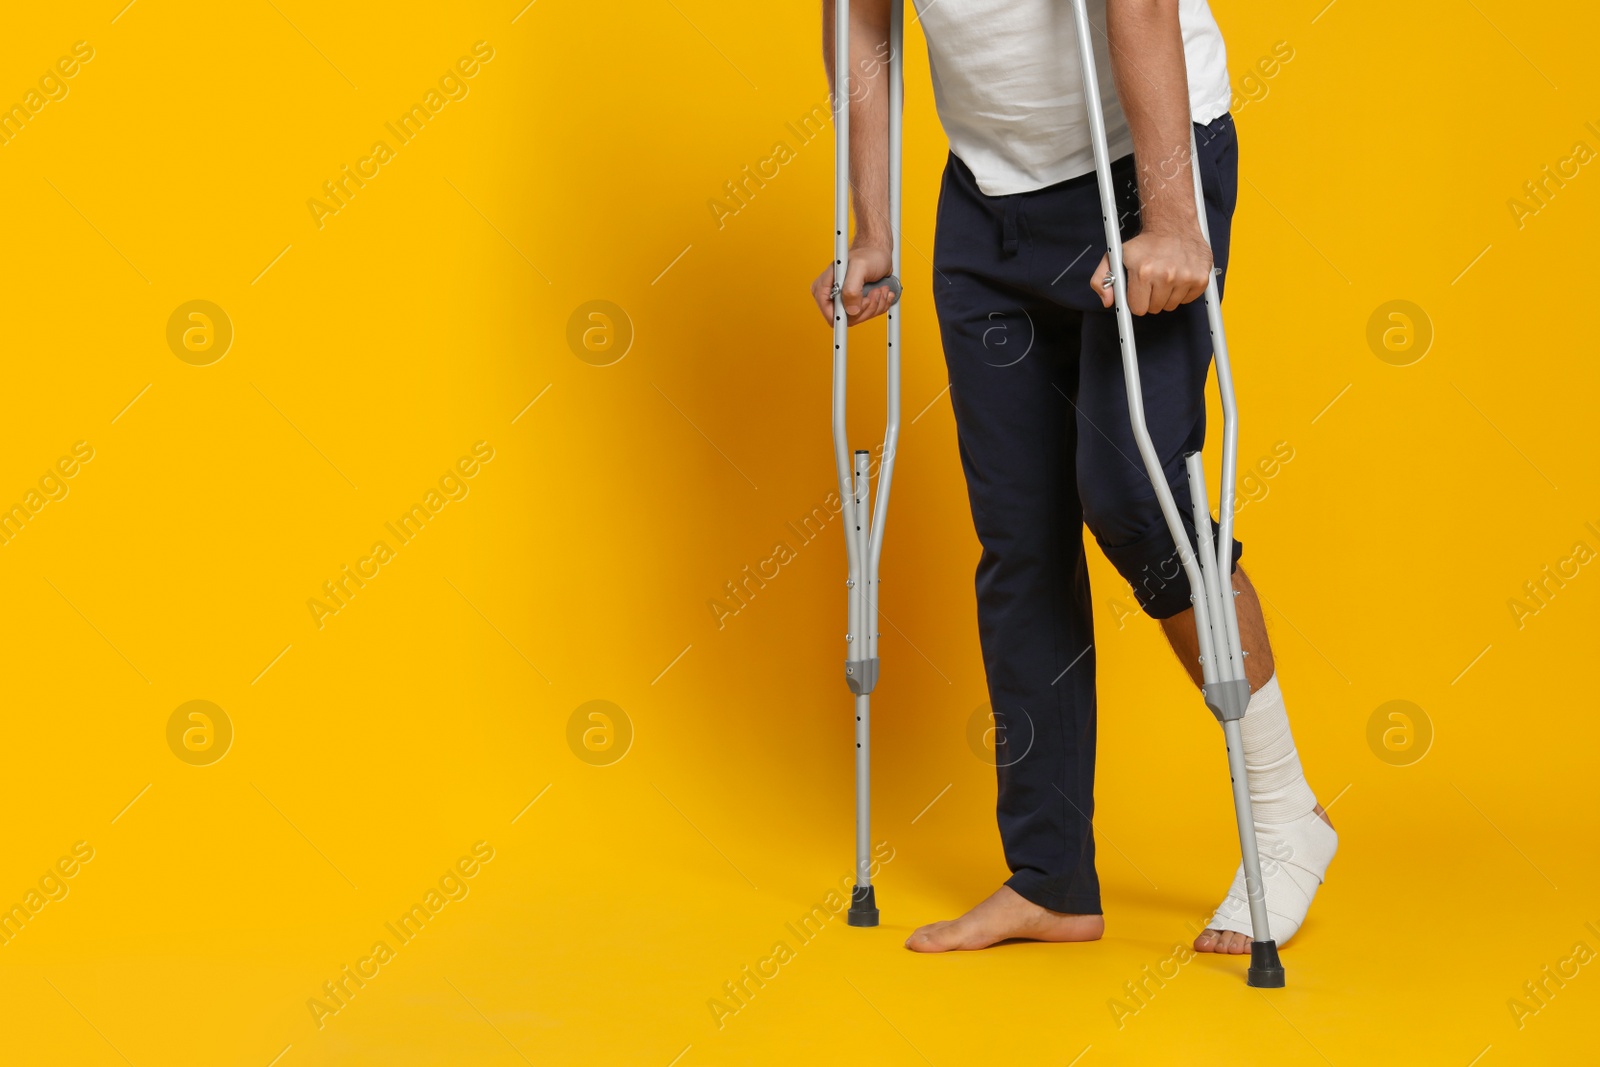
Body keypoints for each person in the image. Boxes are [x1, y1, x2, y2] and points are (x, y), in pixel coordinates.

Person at [809, 0, 1337, 954]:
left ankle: (1283, 813)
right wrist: (872, 228)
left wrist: (1176, 221)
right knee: (1020, 535)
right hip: (986, 200)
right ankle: (1050, 878)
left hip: (1141, 164)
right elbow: (860, 23)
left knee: (1136, 495)